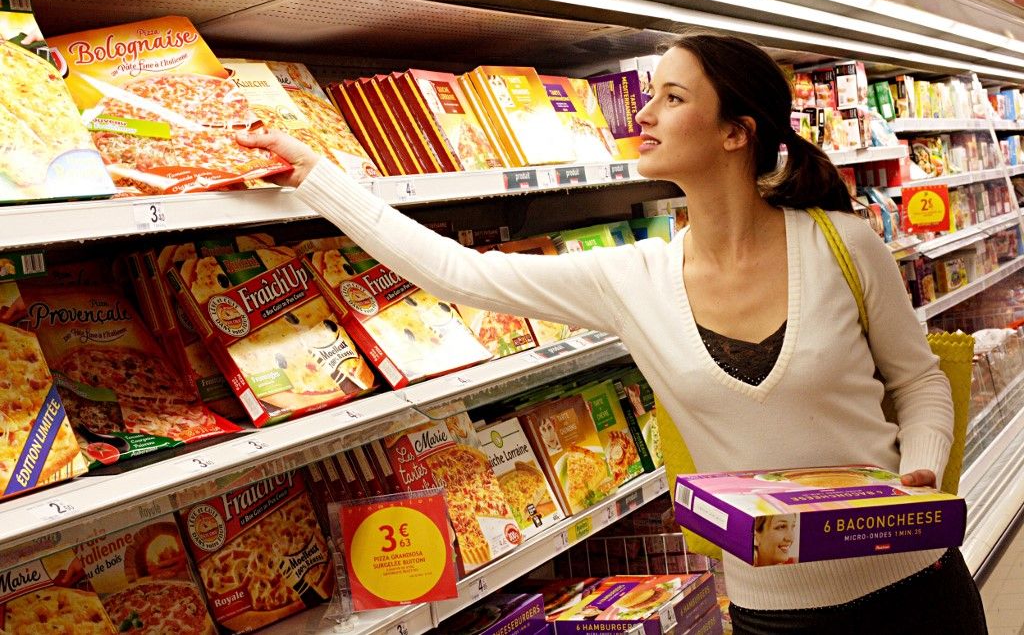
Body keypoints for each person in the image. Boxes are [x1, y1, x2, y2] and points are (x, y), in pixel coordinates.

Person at [237, 32, 987, 634]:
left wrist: (916, 475)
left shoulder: (842, 245)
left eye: (671, 97)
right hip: (775, 611)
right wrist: (315, 177)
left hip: (912, 584)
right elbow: (457, 274)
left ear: (736, 132)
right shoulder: (632, 278)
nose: (644, 115)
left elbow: (916, 380)